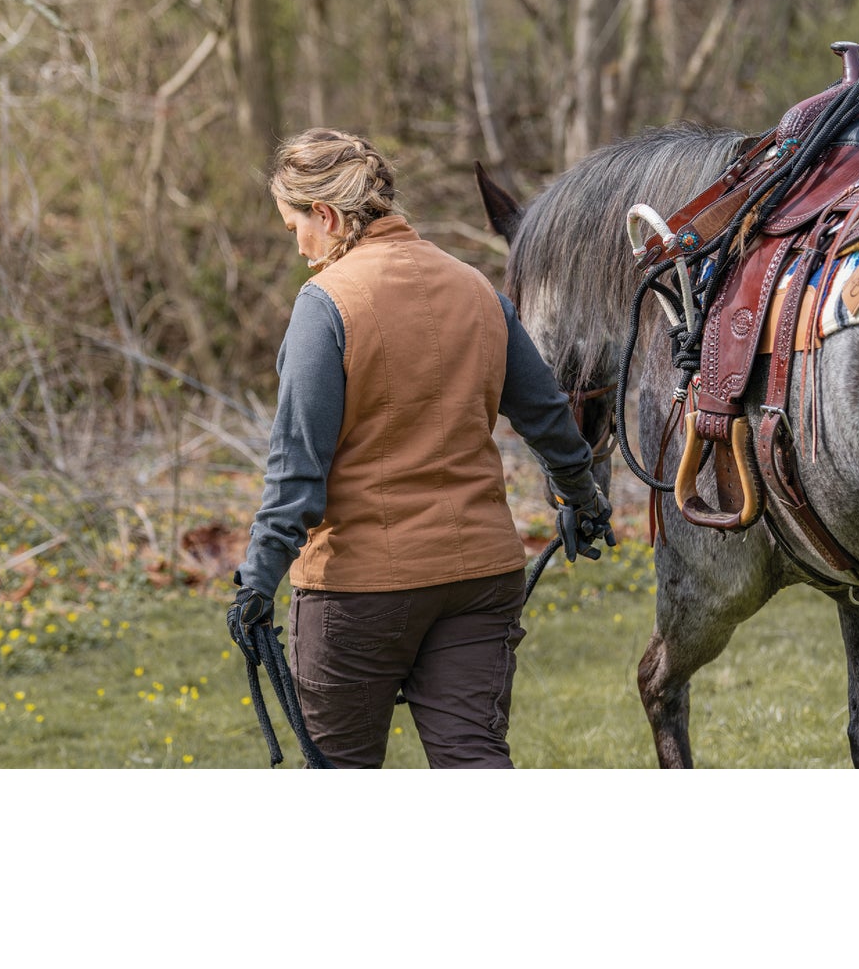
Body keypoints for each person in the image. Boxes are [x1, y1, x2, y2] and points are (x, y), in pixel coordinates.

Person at [226, 128, 615, 768]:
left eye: (295, 226)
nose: (298, 245)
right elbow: (547, 416)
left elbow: (297, 470)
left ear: (326, 215)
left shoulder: (325, 304)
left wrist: (256, 582)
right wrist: (582, 499)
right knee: (474, 759)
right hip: (480, 578)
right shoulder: (477, 289)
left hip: (358, 589)